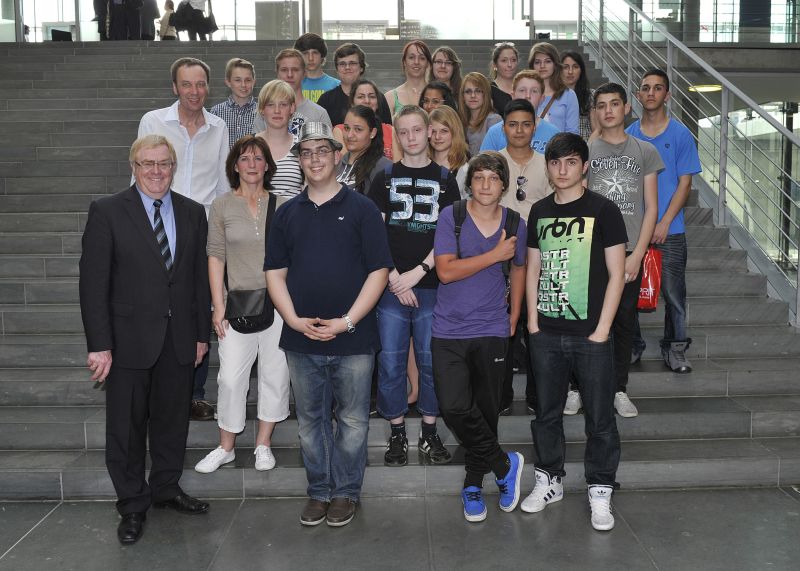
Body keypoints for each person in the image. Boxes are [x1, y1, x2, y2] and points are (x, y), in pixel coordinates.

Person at [79, 134, 211, 545]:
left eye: (164, 163)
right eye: (147, 164)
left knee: (172, 422)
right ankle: (133, 504)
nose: (156, 171)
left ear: (174, 166)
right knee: (127, 428)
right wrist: (100, 344)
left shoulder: (192, 213)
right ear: (133, 167)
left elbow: (196, 281)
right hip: (127, 341)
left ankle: (166, 488)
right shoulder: (107, 211)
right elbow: (93, 283)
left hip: (178, 339)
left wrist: (200, 335)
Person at [265, 122, 392, 527]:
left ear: (338, 155)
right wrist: (293, 320)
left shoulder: (363, 209)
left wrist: (346, 322)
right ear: (298, 160)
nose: (315, 158)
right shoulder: (286, 213)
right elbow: (274, 272)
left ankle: (346, 492)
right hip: (302, 338)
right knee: (309, 423)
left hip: (353, 338)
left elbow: (379, 271)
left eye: (323, 150)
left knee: (353, 422)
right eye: (306, 152)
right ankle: (319, 490)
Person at [522, 132, 626, 532]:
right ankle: (549, 479)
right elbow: (533, 268)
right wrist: (532, 322)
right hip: (545, 331)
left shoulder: (605, 210)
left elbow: (618, 274)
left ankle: (600, 487)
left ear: (585, 166)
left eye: (570, 162)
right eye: (554, 162)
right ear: (547, 168)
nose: (561, 169)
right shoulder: (540, 211)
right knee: (546, 414)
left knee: (600, 417)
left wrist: (602, 330)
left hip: (591, 335)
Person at [432, 151, 527, 522]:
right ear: (469, 182)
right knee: (454, 407)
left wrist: (514, 314)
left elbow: (518, 269)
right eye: (479, 177)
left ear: (504, 185)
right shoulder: (451, 217)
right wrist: (494, 254)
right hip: (449, 329)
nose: (486, 185)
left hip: (491, 328)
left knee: (486, 412)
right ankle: (505, 465)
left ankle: (473, 484)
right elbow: (446, 272)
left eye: (493, 178)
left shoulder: (515, 222)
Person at [367, 105, 461, 468]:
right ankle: (396, 431)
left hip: (431, 284)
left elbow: (450, 234)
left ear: (429, 132)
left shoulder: (444, 178)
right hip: (390, 287)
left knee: (430, 361)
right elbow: (375, 235)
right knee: (389, 361)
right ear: (396, 136)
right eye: (403, 132)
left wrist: (419, 271)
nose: (411, 138)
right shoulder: (384, 177)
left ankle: (428, 429)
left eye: (417, 130)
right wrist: (393, 276)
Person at [137, 57, 229, 421]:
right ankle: (154, 386)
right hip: (159, 226)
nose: (194, 92)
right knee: (158, 304)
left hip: (201, 228)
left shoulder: (219, 128)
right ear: (175, 87)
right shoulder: (153, 121)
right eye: (186, 84)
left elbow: (223, 184)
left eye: (200, 84)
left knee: (199, 305)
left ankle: (193, 393)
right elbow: (141, 170)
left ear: (208, 87)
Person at [194, 136, 290, 475]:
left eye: (258, 158)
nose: (252, 164)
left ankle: (263, 444)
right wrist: (217, 305)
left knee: (274, 374)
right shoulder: (221, 205)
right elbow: (215, 256)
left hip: (279, 304)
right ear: (235, 166)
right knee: (231, 379)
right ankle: (226, 447)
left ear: (267, 165)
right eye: (245, 158)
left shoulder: (283, 204)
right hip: (236, 305)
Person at [566, 82, 661, 419]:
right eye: (601, 105)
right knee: (584, 321)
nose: (608, 110)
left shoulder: (645, 151)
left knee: (623, 322)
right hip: (590, 252)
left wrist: (638, 255)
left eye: (614, 104)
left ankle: (619, 388)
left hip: (629, 253)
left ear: (626, 109)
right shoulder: (585, 151)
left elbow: (651, 208)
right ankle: (576, 388)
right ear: (595, 111)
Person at [627, 69, 702, 373]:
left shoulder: (681, 134)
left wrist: (663, 221)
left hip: (671, 230)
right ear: (638, 95)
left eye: (658, 88)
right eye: (645, 88)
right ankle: (632, 345)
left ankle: (675, 349)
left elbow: (684, 184)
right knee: (627, 291)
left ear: (667, 95)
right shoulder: (629, 133)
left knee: (673, 293)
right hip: (633, 230)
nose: (651, 93)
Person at [497, 98, 552, 414]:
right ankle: (502, 396)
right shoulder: (492, 161)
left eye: (526, 124)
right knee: (504, 327)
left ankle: (536, 396)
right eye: (513, 124)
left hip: (538, 258)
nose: (519, 130)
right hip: (499, 258)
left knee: (536, 329)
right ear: (503, 127)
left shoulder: (546, 164)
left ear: (535, 127)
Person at [253, 49, 332, 139]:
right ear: (277, 73)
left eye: (295, 70)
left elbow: (327, 149)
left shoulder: (319, 114)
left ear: (304, 73)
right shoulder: (266, 111)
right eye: (284, 70)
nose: (290, 75)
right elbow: (258, 147)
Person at [480, 70, 561, 155]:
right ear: (513, 96)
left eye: (534, 91)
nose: (528, 96)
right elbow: (482, 165)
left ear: (542, 98)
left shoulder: (554, 134)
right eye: (522, 90)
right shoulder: (495, 133)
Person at [254, 79, 304, 199]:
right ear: (262, 109)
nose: (277, 111)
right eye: (270, 105)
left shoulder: (302, 147)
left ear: (292, 108)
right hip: (257, 216)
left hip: (293, 216)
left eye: (283, 104)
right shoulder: (249, 146)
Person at [333, 78, 400, 160]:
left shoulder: (391, 131)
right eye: (361, 97)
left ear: (378, 103)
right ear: (352, 103)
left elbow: (397, 166)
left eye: (372, 96)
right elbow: (345, 166)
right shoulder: (341, 131)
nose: (367, 101)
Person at [335, 105, 392, 193]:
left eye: (358, 129)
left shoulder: (383, 167)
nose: (350, 135)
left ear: (372, 132)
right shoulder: (336, 163)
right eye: (346, 128)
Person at [528, 42, 580, 134]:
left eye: (548, 61)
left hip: (560, 147)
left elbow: (572, 133)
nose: (542, 66)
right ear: (532, 66)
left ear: (555, 64)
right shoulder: (525, 94)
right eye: (537, 62)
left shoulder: (568, 95)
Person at [210, 58, 257, 149]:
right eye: (237, 80)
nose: (243, 85)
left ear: (253, 82)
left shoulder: (262, 112)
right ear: (228, 82)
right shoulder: (216, 112)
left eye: (248, 80)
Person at [429, 105, 470, 197]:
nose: (437, 137)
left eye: (444, 131)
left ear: (455, 132)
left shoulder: (464, 170)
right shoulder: (421, 164)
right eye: (433, 131)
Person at [459, 72, 503, 156]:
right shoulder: (461, 122)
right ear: (463, 96)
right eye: (468, 91)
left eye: (478, 91)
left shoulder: (494, 120)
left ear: (485, 95)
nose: (473, 95)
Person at [385, 40, 432, 114]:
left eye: (422, 58)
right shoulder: (390, 97)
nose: (416, 62)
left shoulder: (437, 94)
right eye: (411, 57)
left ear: (428, 64)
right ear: (404, 62)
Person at [294, 33, 340, 103]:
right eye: (305, 53)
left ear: (322, 55)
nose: (310, 58)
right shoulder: (292, 85)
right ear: (299, 57)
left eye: (315, 52)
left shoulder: (336, 85)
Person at [561, 50, 594, 140]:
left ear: (581, 70)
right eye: (566, 67)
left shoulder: (591, 95)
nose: (570, 72)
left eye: (575, 67)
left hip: (585, 145)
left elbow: (596, 130)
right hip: (560, 147)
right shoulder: (553, 95)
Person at [489, 42, 518, 117]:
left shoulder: (524, 87)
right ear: (495, 64)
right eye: (504, 60)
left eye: (513, 60)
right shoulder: (488, 90)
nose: (509, 65)